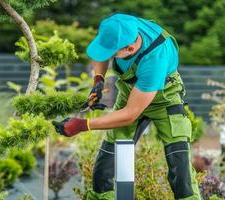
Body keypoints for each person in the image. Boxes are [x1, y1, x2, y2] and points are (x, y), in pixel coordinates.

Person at [52, 13, 201, 200]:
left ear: (130, 48)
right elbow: (102, 51)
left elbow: (130, 113)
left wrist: (83, 125)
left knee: (181, 172)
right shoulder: (120, 26)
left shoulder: (155, 59)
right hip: (130, 93)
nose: (110, 56)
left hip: (165, 100)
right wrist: (98, 80)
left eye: (114, 54)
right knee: (104, 168)